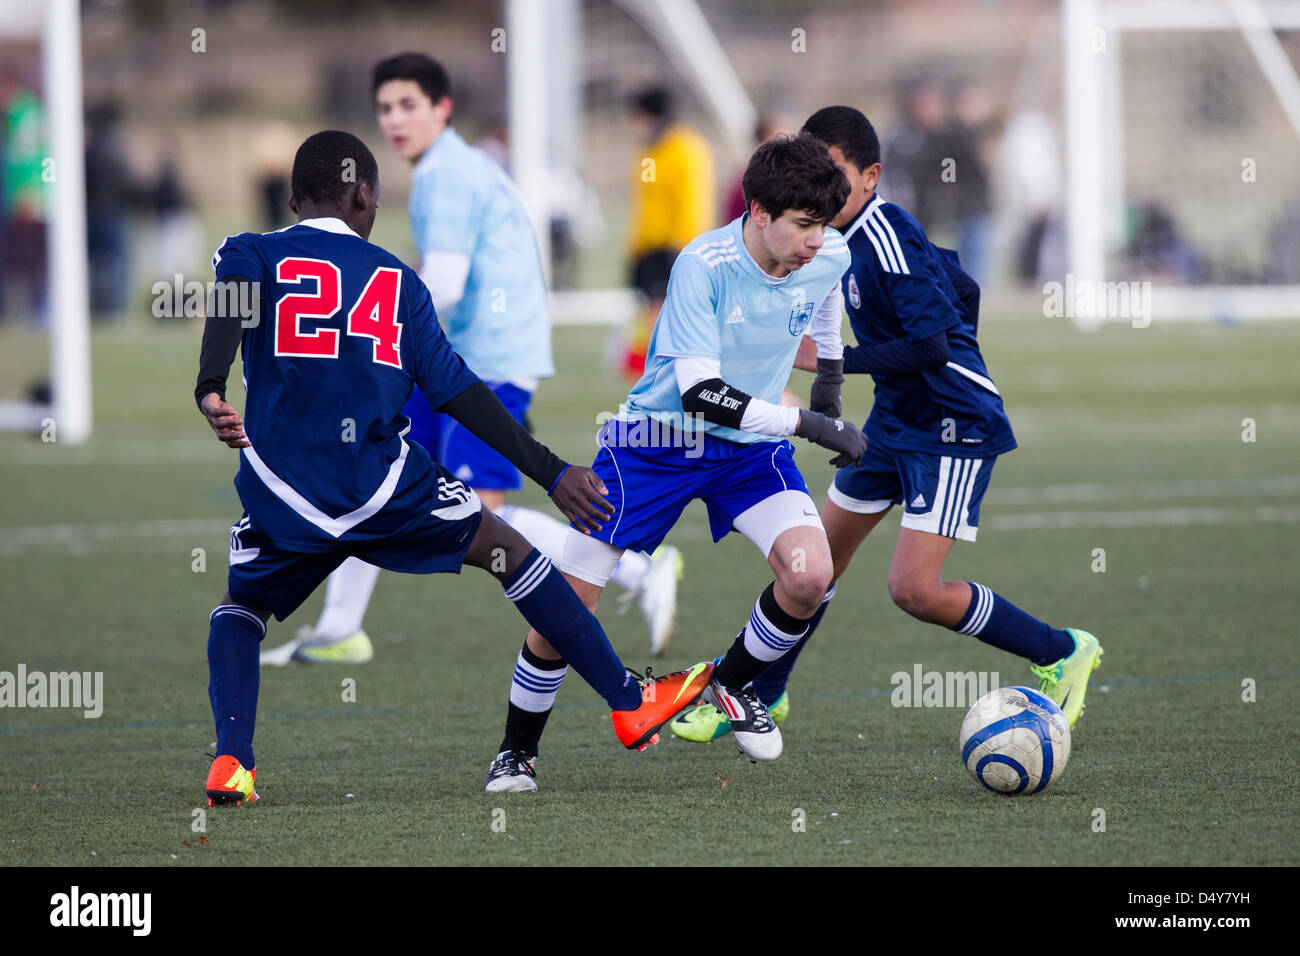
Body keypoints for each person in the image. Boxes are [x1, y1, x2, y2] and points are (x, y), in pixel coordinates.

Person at [194, 130, 710, 805]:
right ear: (366, 195)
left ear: (292, 200)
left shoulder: (251, 250)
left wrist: (210, 386)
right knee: (511, 554)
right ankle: (628, 700)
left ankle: (233, 760)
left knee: (240, 607)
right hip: (381, 486)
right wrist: (550, 470)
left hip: (282, 490)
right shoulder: (399, 282)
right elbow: (457, 389)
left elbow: (231, 301)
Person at [670, 106, 1103, 746]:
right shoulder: (831, 241)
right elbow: (964, 282)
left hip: (952, 428)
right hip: (895, 421)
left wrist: (839, 362)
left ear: (870, 177)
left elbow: (931, 344)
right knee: (813, 564)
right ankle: (763, 689)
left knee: (913, 590)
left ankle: (1063, 649)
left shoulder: (888, 237)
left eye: (836, 174)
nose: (821, 188)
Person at [262, 54, 681, 667]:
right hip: (451, 356)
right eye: (385, 108)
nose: (395, 119)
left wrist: (357, 309)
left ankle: (638, 569)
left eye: (409, 105)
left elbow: (447, 285)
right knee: (370, 474)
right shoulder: (448, 168)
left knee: (480, 513)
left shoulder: (445, 175)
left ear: (442, 109)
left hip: (483, 359)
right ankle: (340, 628)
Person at [480, 133, 868, 792]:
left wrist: (828, 380)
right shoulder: (703, 264)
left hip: (751, 451)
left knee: (810, 576)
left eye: (822, 226)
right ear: (758, 213)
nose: (814, 241)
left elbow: (825, 303)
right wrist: (808, 421)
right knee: (566, 607)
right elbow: (704, 397)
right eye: (801, 225)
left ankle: (728, 683)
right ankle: (517, 751)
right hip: (657, 444)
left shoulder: (828, 252)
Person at [621, 86, 715, 378]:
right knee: (651, 310)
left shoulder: (686, 148)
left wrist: (682, 245)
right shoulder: (649, 151)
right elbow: (646, 203)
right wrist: (635, 246)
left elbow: (692, 200)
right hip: (649, 246)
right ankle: (656, 367)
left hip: (675, 245)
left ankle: (668, 367)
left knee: (665, 311)